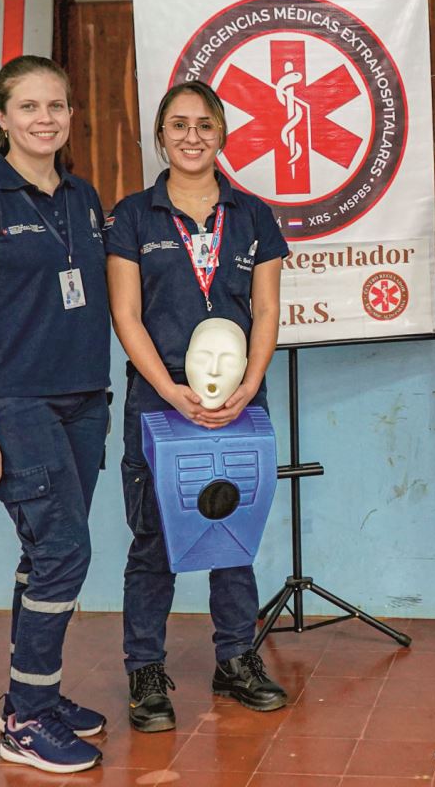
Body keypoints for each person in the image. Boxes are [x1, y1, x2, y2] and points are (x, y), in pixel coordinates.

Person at [0, 55, 110, 774]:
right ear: (1, 118)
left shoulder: (81, 194)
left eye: (58, 107)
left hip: (85, 399)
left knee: (46, 551)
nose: (47, 119)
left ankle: (37, 690)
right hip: (18, 400)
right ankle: (26, 718)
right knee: (66, 550)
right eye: (31, 107)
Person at [105, 80, 289, 733]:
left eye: (205, 125)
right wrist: (168, 388)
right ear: (161, 135)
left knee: (231, 534)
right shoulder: (132, 216)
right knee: (155, 537)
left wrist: (250, 382)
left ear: (223, 135)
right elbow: (126, 316)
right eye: (178, 125)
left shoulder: (254, 215)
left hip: (241, 404)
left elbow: (266, 309)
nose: (192, 136)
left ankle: (237, 657)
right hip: (158, 407)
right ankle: (146, 672)